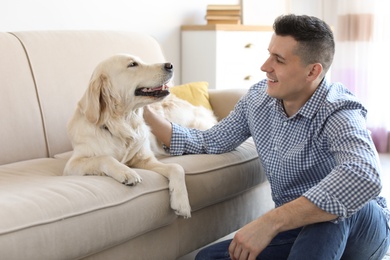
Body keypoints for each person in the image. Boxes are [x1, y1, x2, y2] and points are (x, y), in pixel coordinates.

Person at [144, 14, 390, 260]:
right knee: (208, 258)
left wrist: (271, 221)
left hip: (363, 231)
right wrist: (144, 112)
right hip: (296, 230)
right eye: (269, 54)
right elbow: (209, 141)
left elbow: (363, 175)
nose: (265, 66)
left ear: (313, 71)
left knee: (329, 214)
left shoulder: (339, 109)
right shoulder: (258, 100)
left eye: (279, 60)